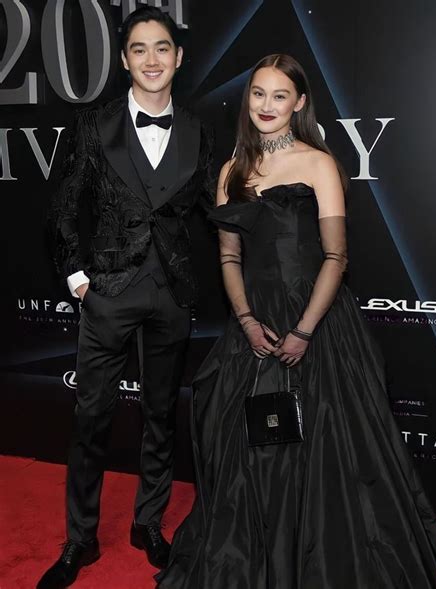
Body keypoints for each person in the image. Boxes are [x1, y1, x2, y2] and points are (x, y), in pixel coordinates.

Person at [156, 54, 436, 589]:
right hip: (254, 325)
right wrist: (247, 321)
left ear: (298, 103)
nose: (266, 106)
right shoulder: (231, 171)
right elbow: (228, 259)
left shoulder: (318, 163)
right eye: (257, 94)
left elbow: (335, 258)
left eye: (278, 96)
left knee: (325, 454)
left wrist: (303, 331)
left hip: (316, 323)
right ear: (247, 101)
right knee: (246, 456)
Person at [37, 7, 212, 589]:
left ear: (178, 57)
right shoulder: (94, 125)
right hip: (107, 291)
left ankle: (149, 523)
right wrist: (76, 278)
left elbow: (217, 210)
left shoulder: (198, 129)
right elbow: (63, 206)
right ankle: (80, 541)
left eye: (163, 48)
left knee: (160, 417)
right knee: (91, 419)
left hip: (171, 295)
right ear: (124, 59)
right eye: (140, 49)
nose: (153, 60)